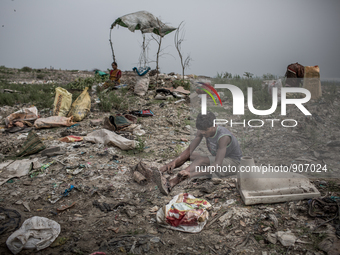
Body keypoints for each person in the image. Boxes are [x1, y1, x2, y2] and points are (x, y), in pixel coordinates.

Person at [153, 111, 243, 195]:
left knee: (200, 160)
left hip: (233, 163)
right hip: (219, 158)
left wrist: (191, 174)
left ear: (214, 125)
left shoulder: (223, 137)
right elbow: (189, 150)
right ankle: (161, 170)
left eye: (205, 130)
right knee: (190, 155)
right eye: (201, 130)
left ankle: (173, 182)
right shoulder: (201, 130)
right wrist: (174, 162)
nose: (203, 132)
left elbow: (217, 165)